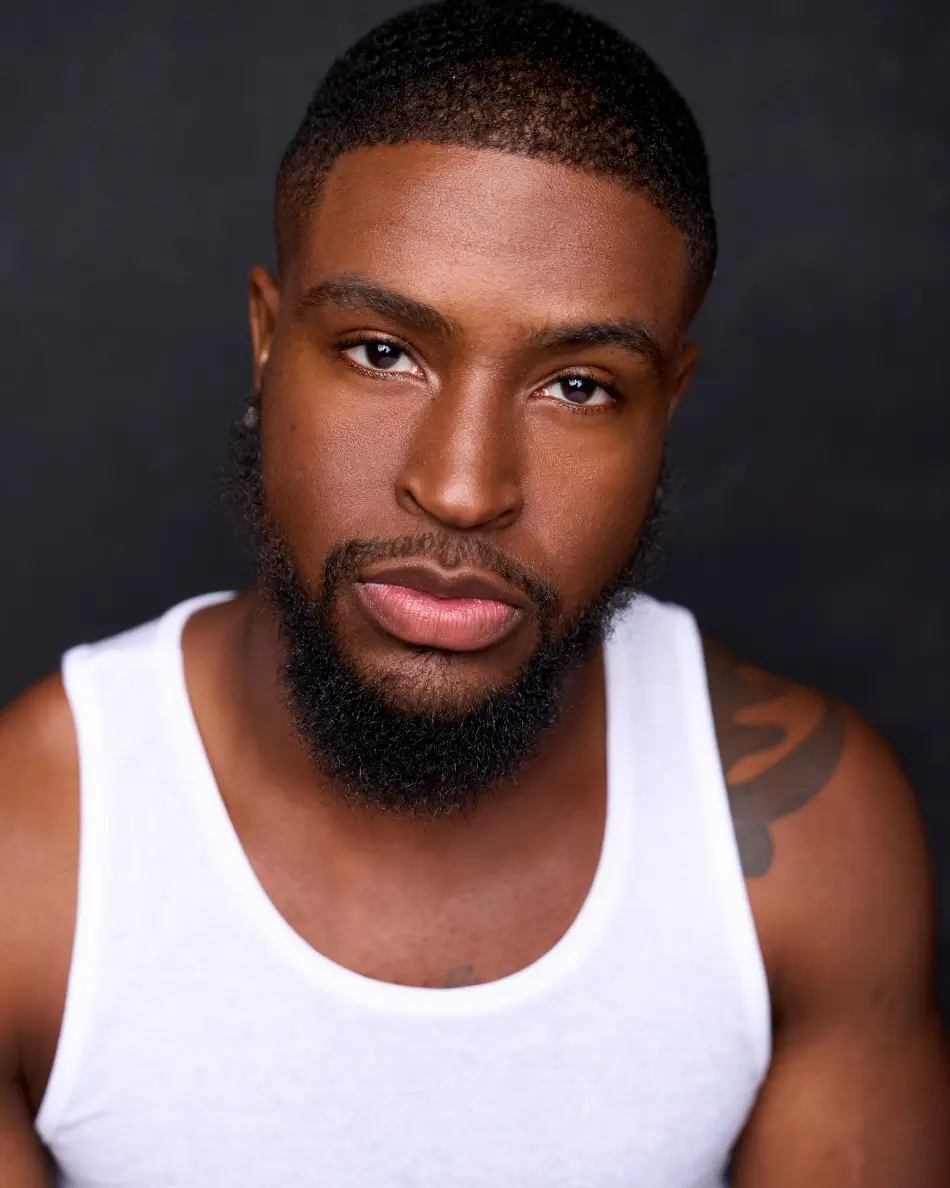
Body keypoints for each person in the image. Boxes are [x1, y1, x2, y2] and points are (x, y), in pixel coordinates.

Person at [1, 0, 948, 1183]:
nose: (461, 489)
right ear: (265, 336)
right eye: (382, 352)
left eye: (579, 386)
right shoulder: (25, 858)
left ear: (668, 408)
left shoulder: (809, 842)